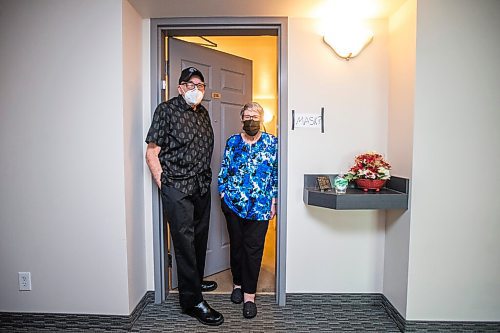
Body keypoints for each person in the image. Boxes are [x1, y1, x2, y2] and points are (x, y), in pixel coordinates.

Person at [145, 67, 224, 326]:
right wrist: (165, 184)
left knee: (200, 238)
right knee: (184, 242)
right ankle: (192, 302)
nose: (196, 90)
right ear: (180, 88)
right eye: (191, 85)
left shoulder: (202, 112)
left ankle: (195, 280)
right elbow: (151, 153)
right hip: (177, 187)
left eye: (200, 86)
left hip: (200, 186)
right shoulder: (165, 110)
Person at [218, 102, 278, 319]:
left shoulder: (272, 143)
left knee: (253, 250)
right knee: (237, 247)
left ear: (261, 119)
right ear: (241, 118)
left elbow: (275, 174)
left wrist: (274, 201)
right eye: (247, 116)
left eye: (255, 116)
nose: (251, 120)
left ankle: (249, 296)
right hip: (233, 204)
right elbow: (224, 168)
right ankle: (237, 284)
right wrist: (223, 193)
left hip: (260, 207)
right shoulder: (233, 142)